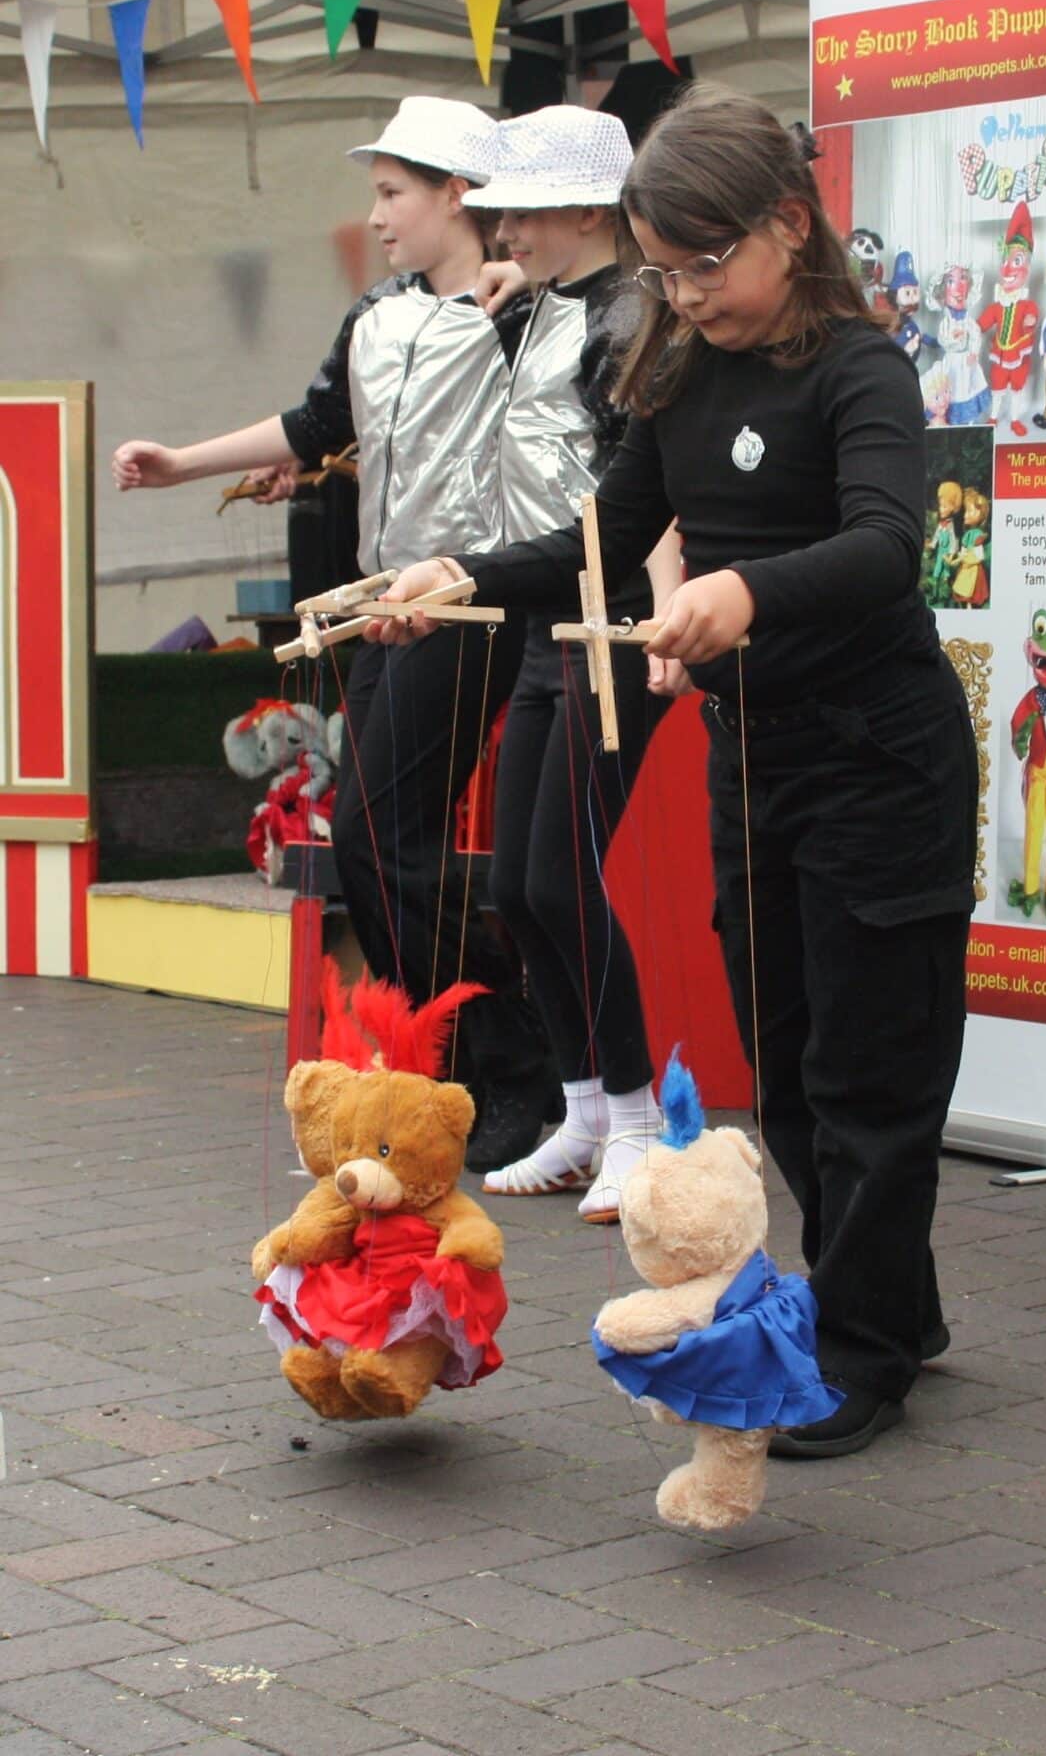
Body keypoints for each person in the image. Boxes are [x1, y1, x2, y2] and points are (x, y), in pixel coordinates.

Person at [368, 83, 976, 1458]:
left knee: (870, 1071)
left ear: (784, 225)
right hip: (755, 761)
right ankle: (898, 1306)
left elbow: (889, 548)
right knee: (788, 1058)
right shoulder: (683, 369)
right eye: (665, 269)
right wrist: (465, 574)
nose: (688, 295)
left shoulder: (858, 369)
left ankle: (863, 1349)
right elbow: (601, 536)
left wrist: (744, 596)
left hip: (880, 762)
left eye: (707, 263)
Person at [111, 97, 557, 1171]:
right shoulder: (377, 313)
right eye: (378, 193)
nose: (380, 213)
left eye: (396, 192)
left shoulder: (526, 316)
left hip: (472, 598)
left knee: (376, 836)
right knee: (374, 840)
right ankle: (452, 1053)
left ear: (461, 194)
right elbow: (318, 425)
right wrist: (184, 462)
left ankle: (500, 1051)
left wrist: (524, 287)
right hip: (378, 605)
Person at [460, 105, 683, 1223]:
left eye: (524, 212)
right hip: (550, 617)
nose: (503, 233)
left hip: (612, 621)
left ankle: (637, 1114)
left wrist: (668, 619)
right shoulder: (549, 304)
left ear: (589, 209)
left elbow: (653, 493)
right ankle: (587, 1105)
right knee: (517, 883)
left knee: (564, 877)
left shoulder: (635, 311)